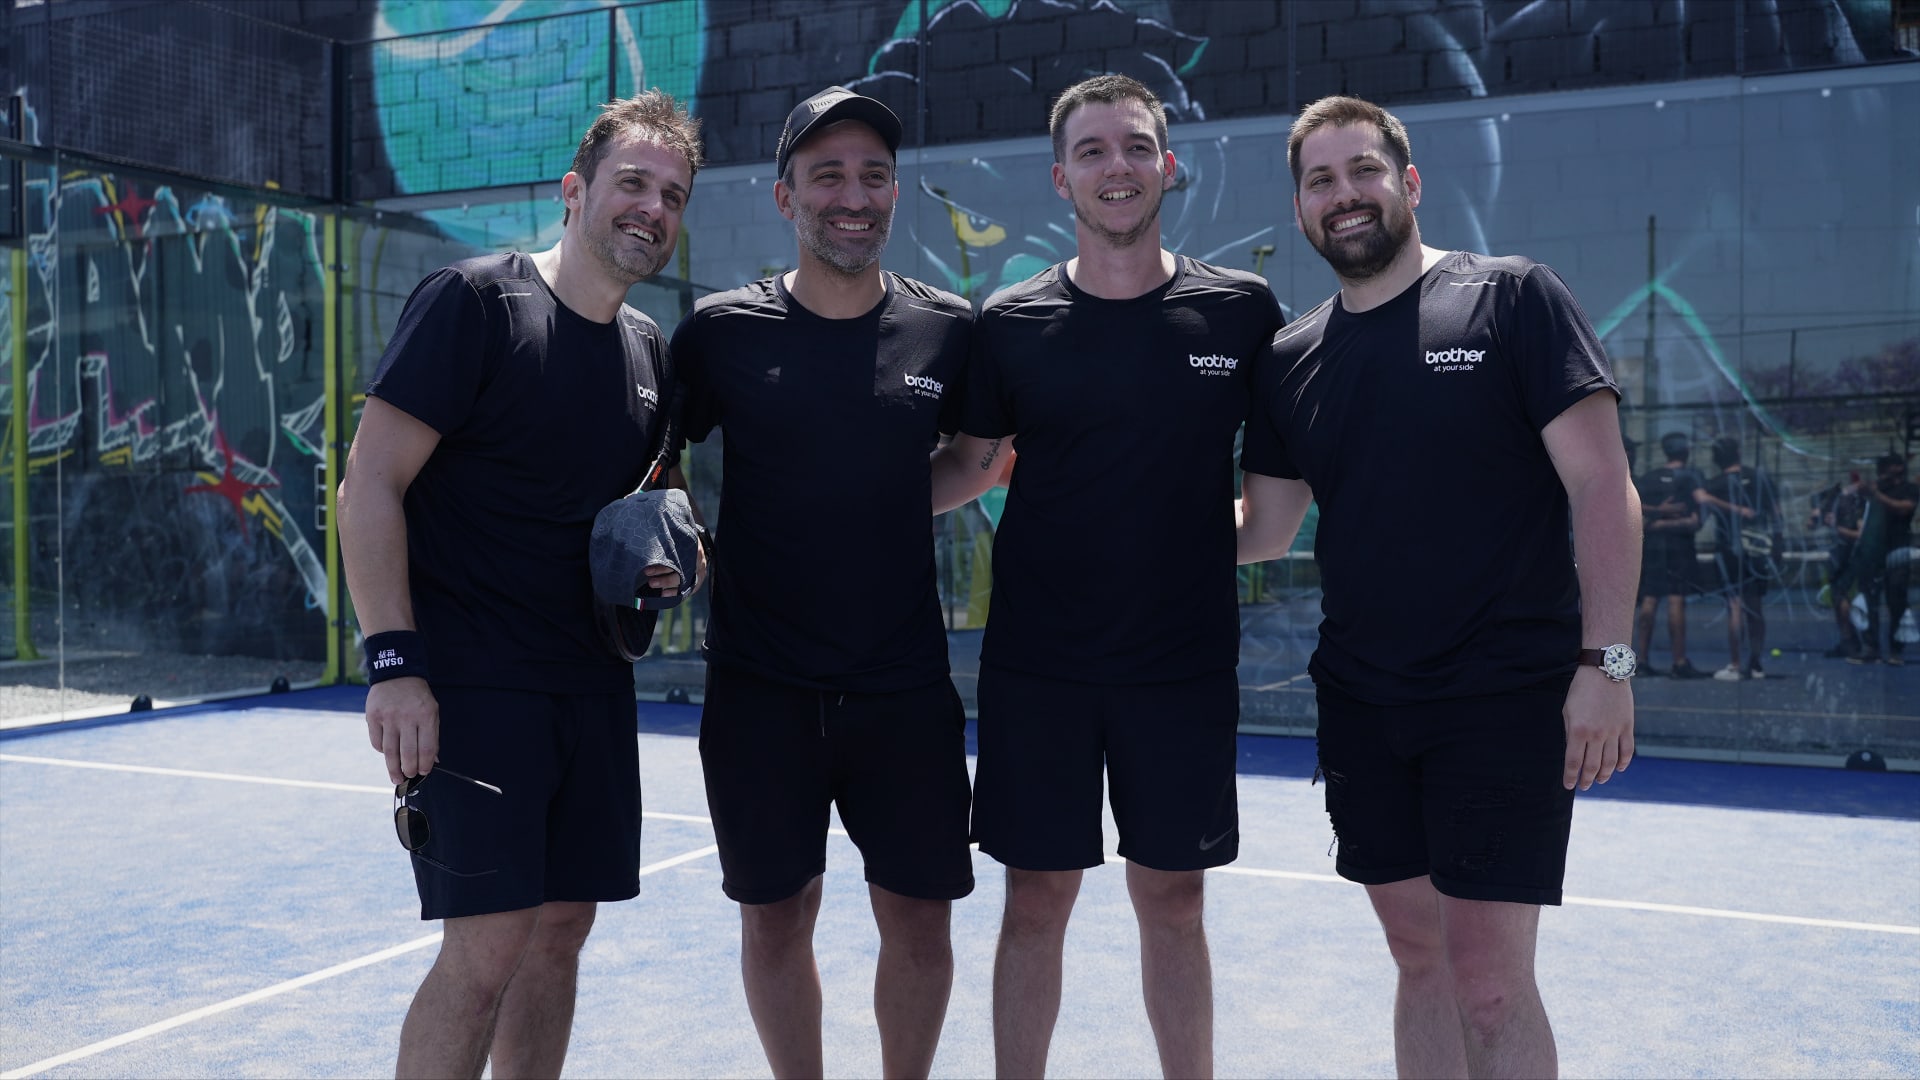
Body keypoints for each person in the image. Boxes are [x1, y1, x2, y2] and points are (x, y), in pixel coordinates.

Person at [1236, 95, 1638, 1079]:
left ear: (1407, 183)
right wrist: (1104, 506)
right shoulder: (1291, 360)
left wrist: (1608, 664)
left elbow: (1602, 485)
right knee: (1419, 962)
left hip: (1503, 694)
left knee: (1489, 982)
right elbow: (1265, 530)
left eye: (1363, 170)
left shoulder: (1512, 299)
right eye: (1321, 180)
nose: (1346, 195)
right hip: (1366, 705)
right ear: (1300, 210)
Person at [335, 91, 703, 1078]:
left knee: (562, 929)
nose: (652, 208)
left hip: (588, 688)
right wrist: (395, 664)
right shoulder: (477, 302)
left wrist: (663, 560)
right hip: (473, 688)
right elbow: (367, 484)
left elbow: (630, 514)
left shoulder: (648, 354)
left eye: (672, 194)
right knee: (488, 944)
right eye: (633, 183)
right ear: (575, 190)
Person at [950, 73, 1285, 1078]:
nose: (1117, 167)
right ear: (1061, 178)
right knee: (1037, 899)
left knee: (1174, 900)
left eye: (1135, 146)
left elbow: (1266, 522)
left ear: (1167, 165)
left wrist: (1164, 544)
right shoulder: (1007, 323)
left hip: (1179, 670)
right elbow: (967, 471)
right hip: (1039, 672)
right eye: (1092, 151)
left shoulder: (1241, 314)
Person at [669, 86, 990, 1079]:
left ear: (894, 193)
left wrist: (890, 500)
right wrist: (683, 539)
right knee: (774, 919)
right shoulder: (720, 333)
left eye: (873, 176)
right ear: (784, 197)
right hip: (760, 690)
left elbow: (977, 460)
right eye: (828, 176)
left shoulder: (950, 330)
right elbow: (657, 464)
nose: (853, 195)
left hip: (902, 690)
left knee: (922, 922)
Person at [1695, 436, 1781, 680]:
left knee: (1734, 605)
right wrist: (1778, 544)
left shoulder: (1714, 486)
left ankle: (1735, 664)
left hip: (1730, 550)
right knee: (1754, 606)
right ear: (1739, 452)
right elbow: (1777, 515)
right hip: (1757, 548)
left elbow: (1702, 519)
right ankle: (1755, 664)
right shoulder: (1759, 478)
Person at [1634, 433, 1709, 678]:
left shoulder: (1648, 479)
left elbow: (1641, 521)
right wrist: (1672, 520)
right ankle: (1679, 662)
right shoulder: (1690, 478)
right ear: (1686, 451)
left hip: (1653, 548)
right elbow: (1695, 522)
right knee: (1676, 600)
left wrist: (1657, 522)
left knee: (1650, 599)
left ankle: (1641, 659)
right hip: (1679, 549)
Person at [1846, 453, 1918, 665]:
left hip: (1897, 549)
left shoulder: (1909, 489)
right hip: (1874, 551)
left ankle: (1896, 649)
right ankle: (1871, 647)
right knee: (1869, 598)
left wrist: (1877, 494)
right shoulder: (1877, 491)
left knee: (1896, 598)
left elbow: (1904, 508)